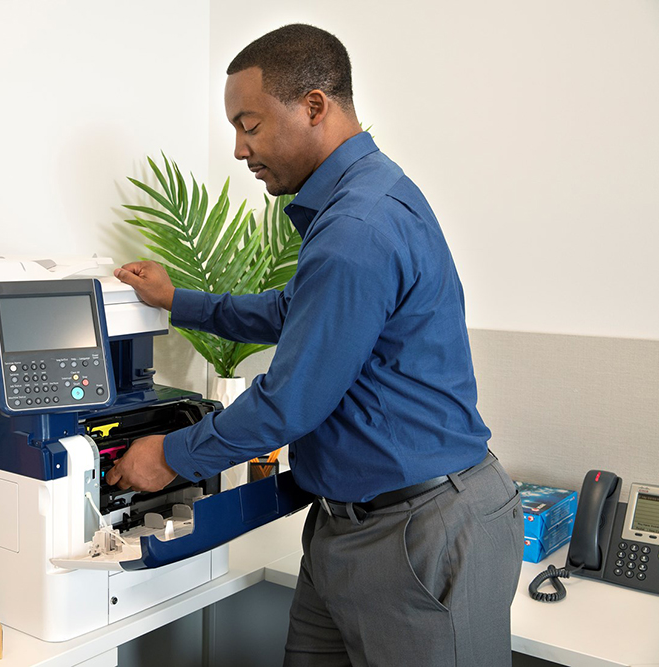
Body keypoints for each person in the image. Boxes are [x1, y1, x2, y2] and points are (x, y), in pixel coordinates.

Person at [105, 23, 523, 667]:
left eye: (250, 125)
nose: (241, 149)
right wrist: (176, 299)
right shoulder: (360, 201)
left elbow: (289, 402)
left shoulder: (357, 227)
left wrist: (171, 457)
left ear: (315, 106)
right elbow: (292, 310)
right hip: (344, 528)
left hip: (420, 530)